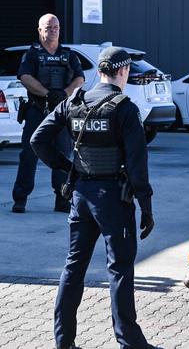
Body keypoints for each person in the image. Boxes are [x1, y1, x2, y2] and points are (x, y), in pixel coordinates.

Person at [30, 46, 155, 349]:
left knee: (74, 266)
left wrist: (65, 167)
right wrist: (146, 207)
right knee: (120, 269)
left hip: (81, 195)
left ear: (99, 72)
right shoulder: (125, 108)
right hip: (112, 197)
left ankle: (64, 341)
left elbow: (38, 140)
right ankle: (130, 343)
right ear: (123, 71)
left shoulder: (75, 100)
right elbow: (138, 167)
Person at [12, 13, 85, 213]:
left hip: (61, 111)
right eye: (48, 27)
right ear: (39, 30)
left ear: (59, 29)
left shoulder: (69, 54)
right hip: (37, 110)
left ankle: (62, 199)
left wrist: (64, 93)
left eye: (55, 27)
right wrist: (46, 94)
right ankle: (20, 198)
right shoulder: (32, 54)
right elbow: (25, 77)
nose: (52, 30)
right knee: (29, 154)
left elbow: (80, 79)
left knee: (62, 155)